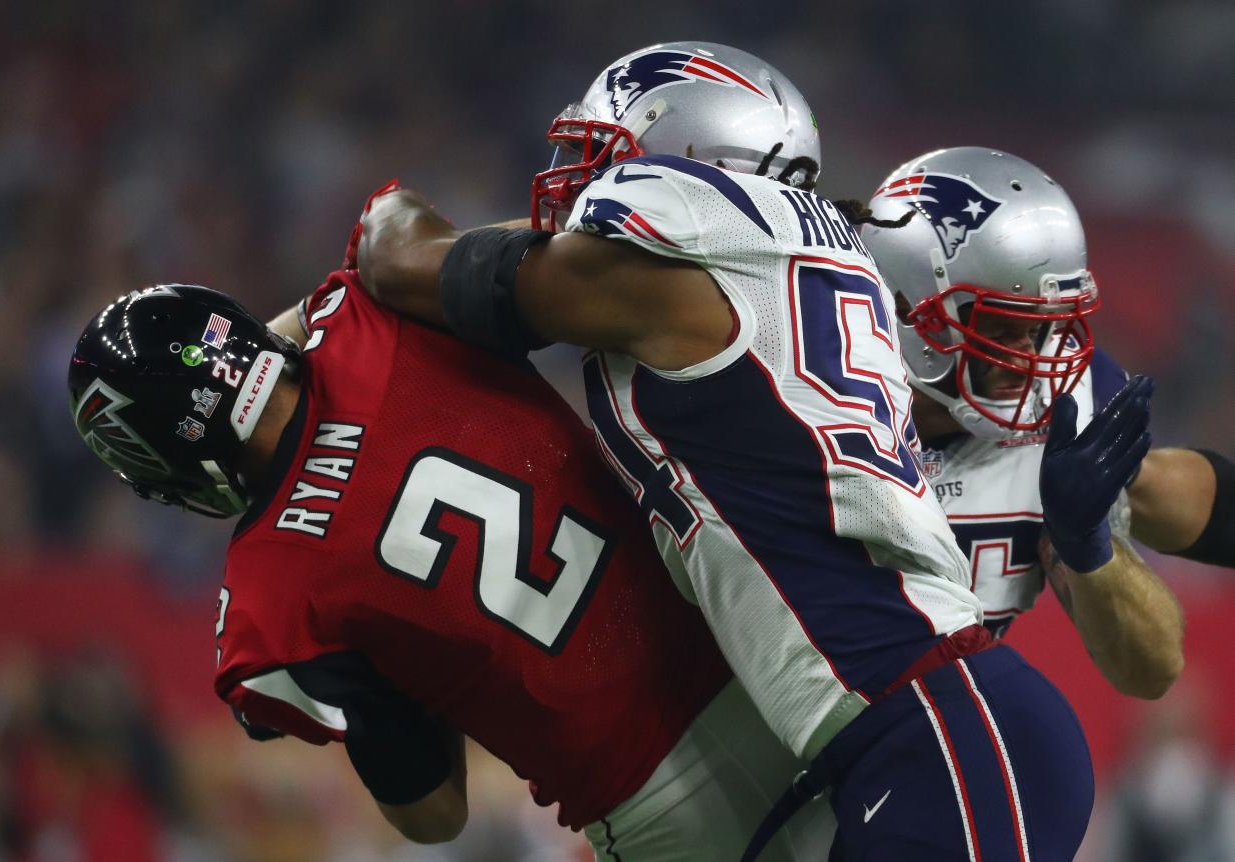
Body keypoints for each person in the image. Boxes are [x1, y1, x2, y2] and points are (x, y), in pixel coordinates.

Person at [356, 41, 1143, 860]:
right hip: (918, 738)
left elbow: (411, 265)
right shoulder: (798, 263)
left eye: (608, 164)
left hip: (936, 732)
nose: (579, 187)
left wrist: (383, 215)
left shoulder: (663, 290)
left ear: (689, 173)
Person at [67, 203, 838, 860]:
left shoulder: (271, 601)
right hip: (766, 653)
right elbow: (403, 238)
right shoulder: (373, 315)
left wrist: (415, 652)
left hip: (655, 804)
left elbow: (433, 816)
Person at [861, 147, 1190, 697]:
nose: (1028, 359)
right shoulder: (811, 398)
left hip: (926, 736)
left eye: (1041, 328)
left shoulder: (1066, 410)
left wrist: (1089, 545)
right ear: (903, 307)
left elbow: (1152, 669)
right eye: (1000, 327)